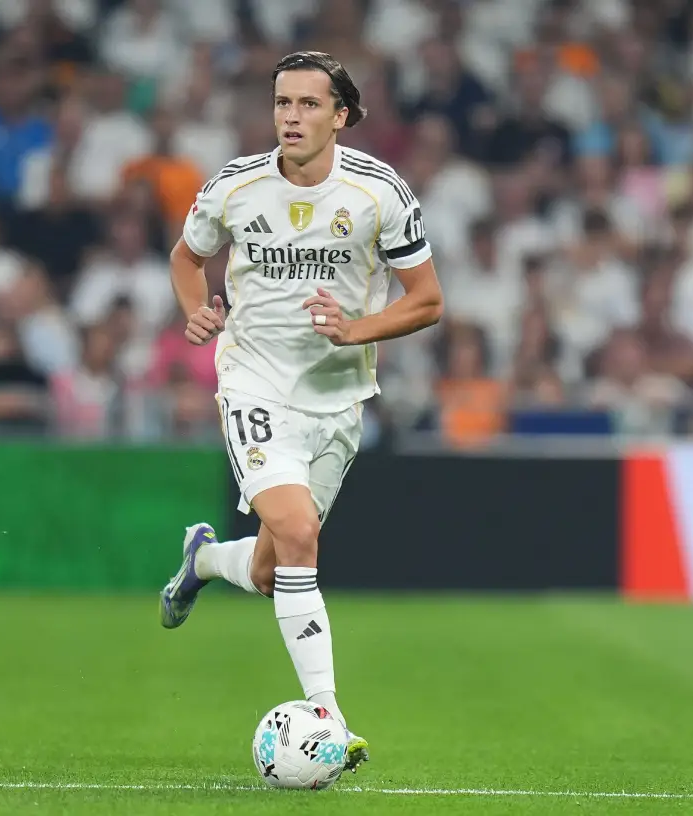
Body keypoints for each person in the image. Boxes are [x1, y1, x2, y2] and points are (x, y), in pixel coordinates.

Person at [158, 51, 444, 774]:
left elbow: (427, 300)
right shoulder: (234, 185)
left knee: (268, 569)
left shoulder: (381, 194)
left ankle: (203, 559)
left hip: (338, 399)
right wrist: (197, 314)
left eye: (309, 105)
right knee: (296, 529)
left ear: (341, 116)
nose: (291, 116)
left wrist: (355, 330)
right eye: (283, 103)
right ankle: (329, 716)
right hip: (254, 384)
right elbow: (186, 260)